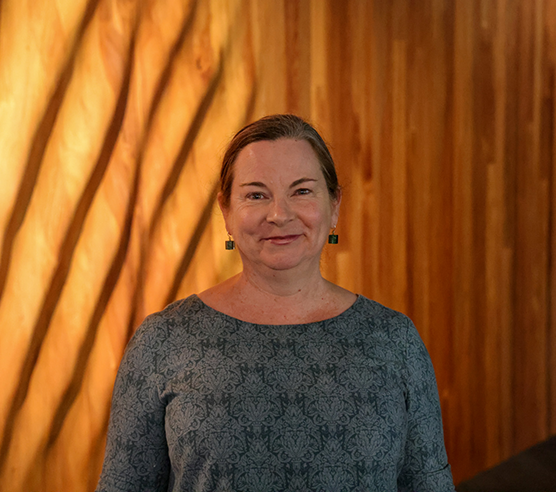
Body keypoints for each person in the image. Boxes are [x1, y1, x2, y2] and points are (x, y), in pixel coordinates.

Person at [96, 114, 454, 492]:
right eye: (256, 194)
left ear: (334, 206)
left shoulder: (394, 341)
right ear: (226, 213)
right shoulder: (163, 341)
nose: (279, 214)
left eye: (301, 191)